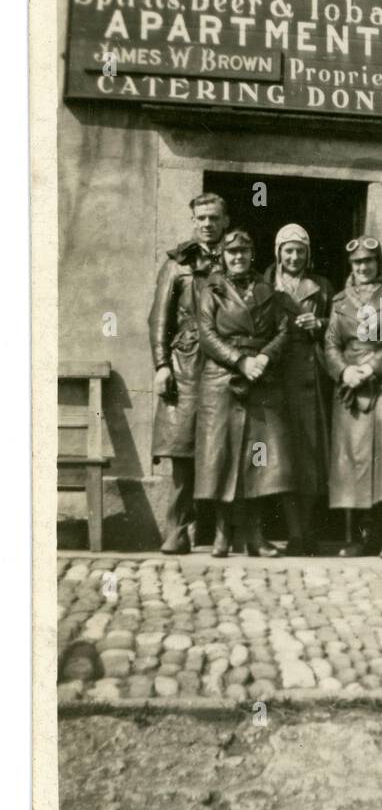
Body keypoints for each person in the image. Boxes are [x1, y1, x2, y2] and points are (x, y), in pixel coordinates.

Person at [194, 229, 303, 557]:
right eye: (231, 253)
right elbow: (206, 334)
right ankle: (222, 534)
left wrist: (264, 358)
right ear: (223, 256)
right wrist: (240, 361)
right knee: (221, 457)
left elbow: (284, 330)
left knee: (259, 459)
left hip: (261, 379)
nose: (238, 257)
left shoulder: (268, 290)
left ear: (252, 254)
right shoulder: (210, 289)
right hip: (222, 381)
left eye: (243, 251)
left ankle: (255, 536)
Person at [148, 192, 229, 553]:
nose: (207, 224)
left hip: (222, 364)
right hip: (185, 365)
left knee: (221, 447)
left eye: (213, 218)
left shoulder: (234, 259)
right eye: (201, 218)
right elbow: (159, 318)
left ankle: (216, 532)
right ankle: (178, 529)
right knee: (182, 452)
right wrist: (162, 365)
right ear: (193, 221)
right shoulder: (177, 264)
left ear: (225, 221)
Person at [325, 237, 382, 559]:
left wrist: (370, 367)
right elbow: (331, 344)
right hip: (352, 387)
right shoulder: (339, 302)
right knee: (357, 462)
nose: (363, 268)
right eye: (357, 263)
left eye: (369, 262)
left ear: (378, 264)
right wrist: (343, 371)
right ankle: (365, 536)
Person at [263, 223, 334, 553]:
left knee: (308, 457)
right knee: (279, 458)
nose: (294, 257)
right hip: (273, 378)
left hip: (308, 380)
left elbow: (341, 326)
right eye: (288, 250)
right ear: (278, 253)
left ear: (308, 254)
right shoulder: (264, 284)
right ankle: (288, 530)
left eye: (300, 251)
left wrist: (318, 325)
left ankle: (305, 533)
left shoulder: (321, 286)